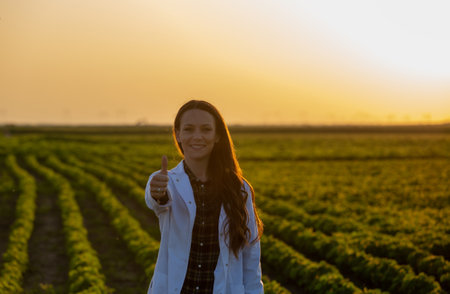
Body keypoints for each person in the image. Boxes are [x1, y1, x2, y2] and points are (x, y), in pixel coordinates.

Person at [145, 100, 264, 294]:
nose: (197, 136)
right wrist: (157, 192)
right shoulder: (167, 182)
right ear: (178, 135)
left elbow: (251, 256)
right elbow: (158, 200)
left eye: (206, 129)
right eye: (189, 129)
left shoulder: (239, 188)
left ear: (217, 136)